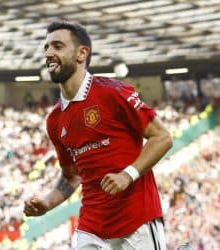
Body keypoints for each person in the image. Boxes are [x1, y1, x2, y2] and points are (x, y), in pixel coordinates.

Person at [23, 20, 173, 250]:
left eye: (57, 46)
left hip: (137, 220)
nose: (49, 53)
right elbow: (72, 175)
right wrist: (47, 202)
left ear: (82, 53)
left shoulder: (113, 93)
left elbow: (162, 137)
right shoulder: (54, 120)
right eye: (46, 48)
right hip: (91, 227)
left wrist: (127, 175)